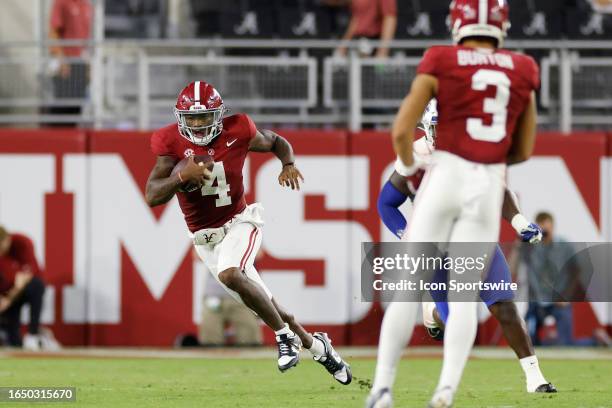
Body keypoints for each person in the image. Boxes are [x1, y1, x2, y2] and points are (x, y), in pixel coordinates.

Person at [368, 0, 540, 406]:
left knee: (408, 290)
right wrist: (485, 159)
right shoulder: (522, 67)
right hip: (484, 182)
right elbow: (524, 149)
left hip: (444, 175)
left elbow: (400, 132)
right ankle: (446, 390)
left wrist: (413, 166)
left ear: (456, 22)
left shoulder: (440, 59)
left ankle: (382, 389)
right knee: (464, 299)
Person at [145, 81, 351, 384]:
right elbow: (152, 195)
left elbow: (275, 141)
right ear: (181, 119)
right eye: (193, 119)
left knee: (230, 273)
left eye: (205, 118)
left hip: (240, 222)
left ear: (219, 115)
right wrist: (179, 177)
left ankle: (283, 338)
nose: (200, 125)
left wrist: (288, 163)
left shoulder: (238, 129)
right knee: (268, 304)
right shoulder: (169, 143)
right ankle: (318, 347)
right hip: (205, 239)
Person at [376, 101, 556, 396]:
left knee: (504, 306)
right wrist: (407, 233)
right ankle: (433, 326)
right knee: (454, 322)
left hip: (474, 236)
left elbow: (497, 189)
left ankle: (534, 377)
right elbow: (387, 202)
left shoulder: (477, 151)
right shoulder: (420, 154)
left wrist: (520, 221)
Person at [520, 212, 612, 347]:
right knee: (529, 344)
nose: (545, 231)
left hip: (559, 299)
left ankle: (596, 341)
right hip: (537, 301)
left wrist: (566, 296)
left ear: (553, 227)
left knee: (565, 344)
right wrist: (520, 243)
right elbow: (514, 267)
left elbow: (577, 270)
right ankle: (549, 343)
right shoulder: (531, 247)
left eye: (547, 227)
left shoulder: (564, 246)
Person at [0, 227, 52, 350]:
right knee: (13, 341)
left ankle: (33, 334)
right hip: (7, 295)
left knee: (36, 286)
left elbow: (24, 278)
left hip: (21, 291)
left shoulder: (22, 242)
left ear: (7, 240)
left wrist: (8, 299)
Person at [199, 249, 263, 347]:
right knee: (210, 342)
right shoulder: (207, 233)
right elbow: (197, 254)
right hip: (215, 294)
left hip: (242, 294)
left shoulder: (246, 233)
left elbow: (258, 253)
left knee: (249, 341)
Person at [48, 0, 92, 126]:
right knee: (62, 109)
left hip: (81, 64)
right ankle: (54, 143)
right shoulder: (61, 3)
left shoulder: (86, 5)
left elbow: (85, 40)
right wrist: (61, 60)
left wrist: (88, 65)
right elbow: (53, 33)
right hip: (66, 64)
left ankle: (71, 144)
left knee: (76, 109)